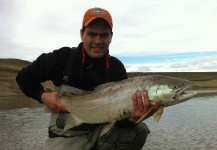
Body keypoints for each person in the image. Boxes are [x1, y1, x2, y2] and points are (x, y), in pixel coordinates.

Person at [16, 7, 160, 150]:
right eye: (92, 34)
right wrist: (43, 96)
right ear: (81, 34)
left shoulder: (116, 68)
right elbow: (23, 77)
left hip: (103, 133)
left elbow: (120, 122)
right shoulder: (62, 58)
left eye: (104, 35)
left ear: (111, 37)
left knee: (139, 130)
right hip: (67, 135)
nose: (98, 41)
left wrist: (132, 119)